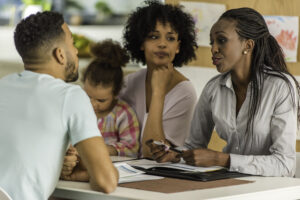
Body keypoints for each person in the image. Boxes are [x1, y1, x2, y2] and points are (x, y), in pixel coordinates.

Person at [149, 7, 300, 177]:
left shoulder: (280, 87)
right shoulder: (213, 88)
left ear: (248, 45)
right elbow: (193, 147)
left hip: (270, 189)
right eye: (212, 41)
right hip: (228, 183)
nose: (213, 48)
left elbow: (285, 165)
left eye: (221, 40)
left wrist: (223, 160)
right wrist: (176, 155)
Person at [0, 12, 118, 200]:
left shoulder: (3, 85)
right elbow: (106, 182)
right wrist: (86, 172)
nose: (77, 51)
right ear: (60, 54)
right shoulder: (70, 95)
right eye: (72, 43)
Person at [120, 0, 198, 158]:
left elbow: (152, 153)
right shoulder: (128, 83)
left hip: (162, 178)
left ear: (178, 47)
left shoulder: (185, 92)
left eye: (170, 39)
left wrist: (158, 93)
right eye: (154, 37)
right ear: (141, 43)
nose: (162, 44)